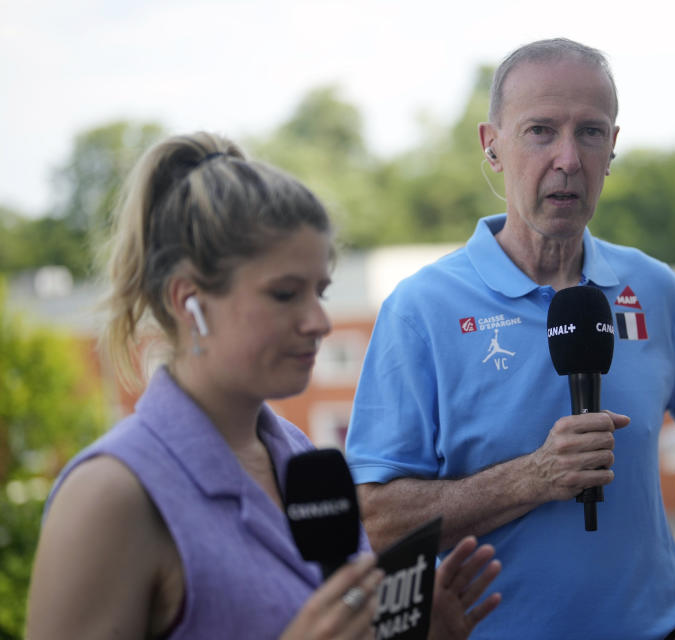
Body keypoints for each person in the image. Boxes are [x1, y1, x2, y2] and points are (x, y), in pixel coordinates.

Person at [26, 132, 501, 640]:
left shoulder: (300, 460)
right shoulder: (111, 494)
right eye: (284, 294)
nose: (319, 321)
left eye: (320, 292)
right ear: (190, 301)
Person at [345, 38, 675, 640]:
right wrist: (533, 477)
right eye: (539, 130)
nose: (567, 159)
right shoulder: (420, 309)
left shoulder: (653, 288)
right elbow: (380, 522)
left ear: (612, 149)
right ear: (492, 145)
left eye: (590, 132)